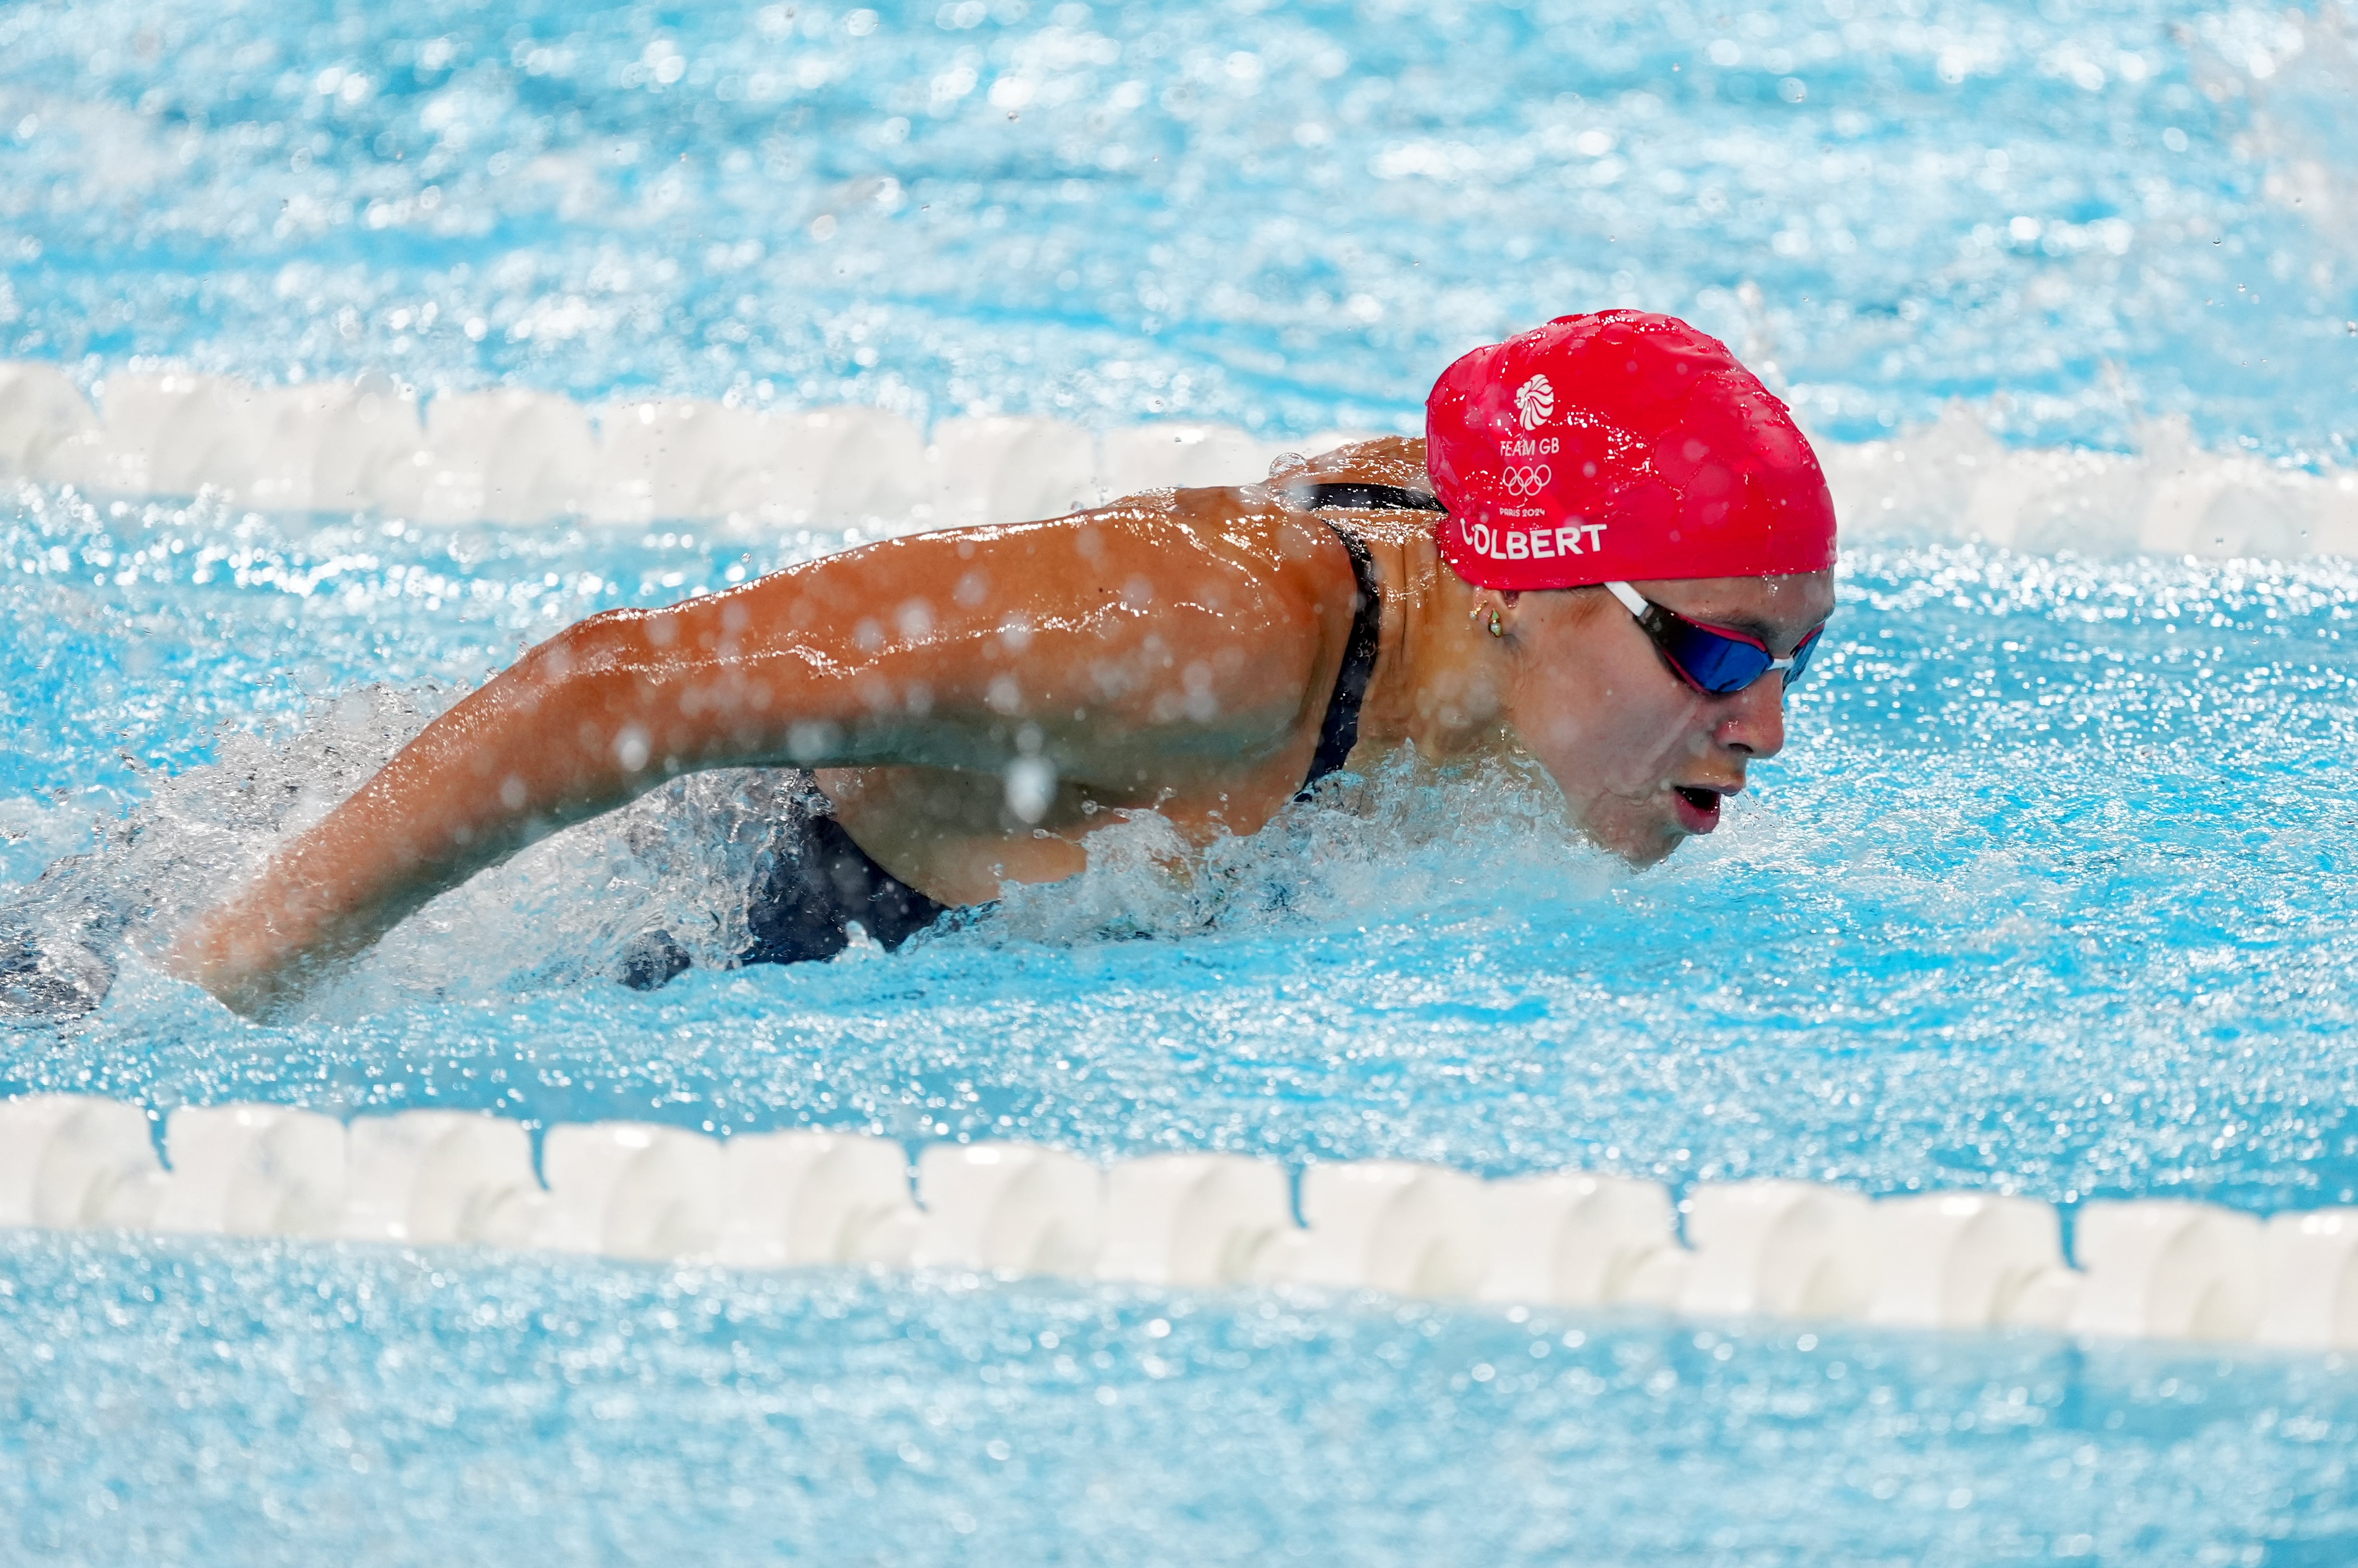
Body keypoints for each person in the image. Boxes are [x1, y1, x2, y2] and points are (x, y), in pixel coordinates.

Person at [166, 310, 1837, 1018]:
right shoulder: (1220, 635)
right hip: (491, 884)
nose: (1760, 722)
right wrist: (214, 1005)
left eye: (1794, 660)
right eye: (1713, 649)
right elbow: (619, 685)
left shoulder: (1520, 644)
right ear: (1518, 590)